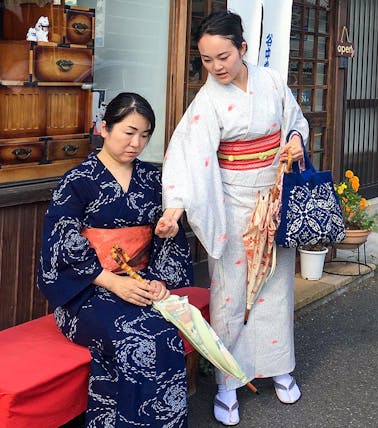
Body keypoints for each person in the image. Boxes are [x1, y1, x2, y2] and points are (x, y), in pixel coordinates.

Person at [155, 11, 309, 426]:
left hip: (274, 197)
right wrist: (176, 208)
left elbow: (295, 122)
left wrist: (294, 141)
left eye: (223, 56)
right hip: (232, 202)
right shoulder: (206, 102)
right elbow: (187, 158)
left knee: (276, 283)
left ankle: (278, 365)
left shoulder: (273, 82)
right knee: (230, 292)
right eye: (206, 60)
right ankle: (227, 381)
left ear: (243, 48)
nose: (216, 66)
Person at [37, 92, 194, 427]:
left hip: (140, 283)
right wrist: (111, 281)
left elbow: (166, 235)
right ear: (104, 128)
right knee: (134, 336)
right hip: (88, 292)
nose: (137, 143)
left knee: (165, 333)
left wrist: (159, 279)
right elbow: (61, 242)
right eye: (129, 132)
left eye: (145, 135)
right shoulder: (78, 181)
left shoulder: (153, 179)